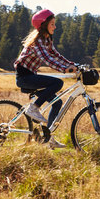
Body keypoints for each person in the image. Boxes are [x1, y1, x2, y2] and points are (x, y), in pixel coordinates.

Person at [14, 9, 76, 148]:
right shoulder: (37, 41)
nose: (55, 27)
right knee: (58, 82)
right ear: (44, 25)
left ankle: (48, 139)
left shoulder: (47, 39)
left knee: (57, 102)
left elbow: (56, 55)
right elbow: (47, 59)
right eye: (52, 24)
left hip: (31, 76)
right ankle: (33, 108)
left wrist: (72, 65)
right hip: (24, 77)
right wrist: (64, 69)